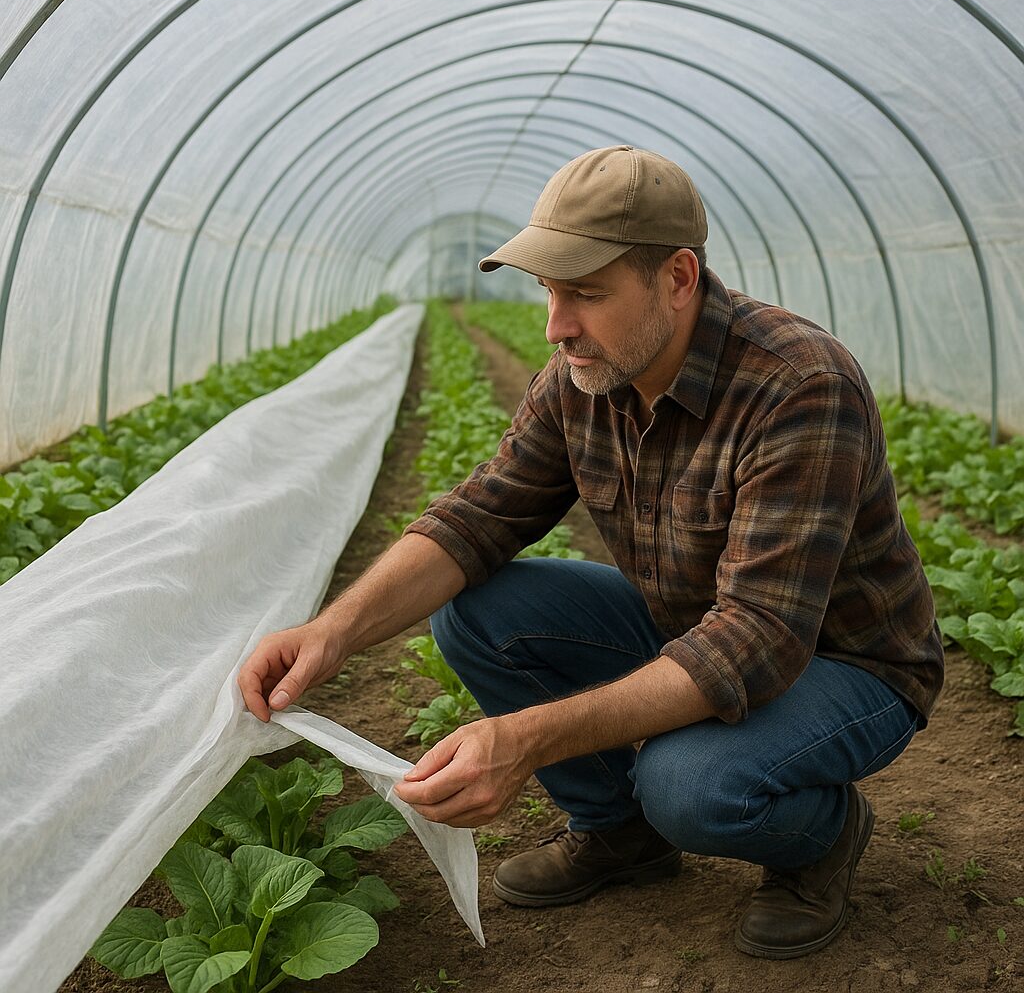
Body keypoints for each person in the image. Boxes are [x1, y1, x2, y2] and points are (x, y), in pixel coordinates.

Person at [237, 145, 944, 959]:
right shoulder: (583, 377)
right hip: (691, 626)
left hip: (845, 663)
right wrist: (333, 631)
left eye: (586, 293)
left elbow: (758, 641)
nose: (555, 325)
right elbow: (477, 519)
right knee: (479, 610)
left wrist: (526, 739)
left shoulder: (798, 385)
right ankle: (621, 836)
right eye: (547, 289)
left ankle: (822, 835)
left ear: (678, 279)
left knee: (688, 784)